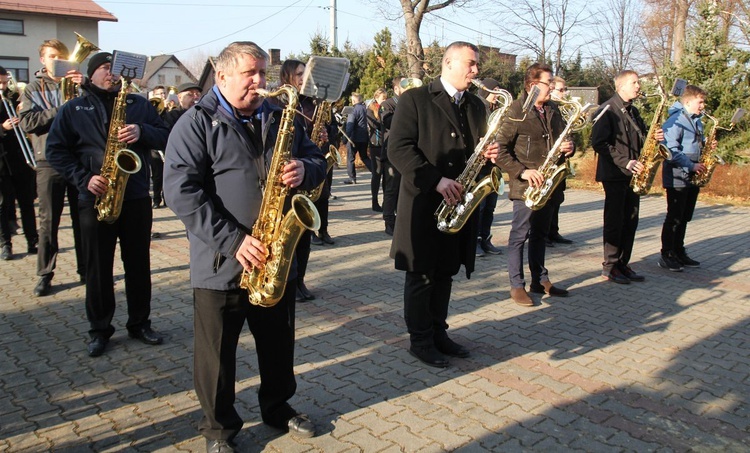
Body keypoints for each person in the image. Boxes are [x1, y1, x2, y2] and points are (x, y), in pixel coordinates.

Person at [163, 42, 326, 450]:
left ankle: (277, 407)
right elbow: (181, 193)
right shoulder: (195, 122)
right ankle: (219, 428)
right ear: (222, 76)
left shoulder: (279, 114)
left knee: (277, 343)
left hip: (273, 256)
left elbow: (319, 161)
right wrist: (234, 240)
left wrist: (304, 168)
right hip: (221, 260)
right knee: (216, 356)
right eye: (251, 74)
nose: (260, 83)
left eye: (263, 74)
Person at [46, 52, 168, 357]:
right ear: (91, 74)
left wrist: (143, 132)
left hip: (136, 195)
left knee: (138, 264)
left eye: (114, 69)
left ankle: (140, 323)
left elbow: (167, 136)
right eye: (104, 69)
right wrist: (83, 178)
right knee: (98, 268)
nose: (111, 74)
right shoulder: (73, 108)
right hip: (94, 195)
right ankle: (99, 329)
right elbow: (56, 150)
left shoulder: (138, 104)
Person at [388, 41, 498, 368]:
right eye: (471, 64)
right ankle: (420, 341)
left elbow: (476, 155)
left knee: (446, 271)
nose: (476, 71)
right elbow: (399, 149)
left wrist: (489, 160)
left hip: (458, 206)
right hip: (424, 203)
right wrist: (435, 179)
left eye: (477, 65)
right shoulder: (415, 99)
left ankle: (439, 332)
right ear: (448, 63)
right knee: (422, 275)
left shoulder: (478, 107)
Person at [494, 63, 573, 307]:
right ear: (532, 86)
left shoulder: (553, 110)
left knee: (540, 234)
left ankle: (539, 280)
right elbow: (499, 151)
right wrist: (523, 172)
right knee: (519, 236)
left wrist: (570, 148)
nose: (552, 87)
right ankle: (516, 285)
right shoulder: (516, 111)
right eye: (547, 83)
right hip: (526, 186)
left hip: (549, 183)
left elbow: (564, 139)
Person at [18, 39, 85, 297]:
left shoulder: (79, 85)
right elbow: (27, 122)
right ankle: (45, 274)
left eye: (62, 56)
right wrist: (61, 109)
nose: (57, 60)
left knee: (84, 219)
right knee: (49, 221)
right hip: (49, 160)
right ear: (43, 60)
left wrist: (85, 89)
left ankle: (86, 269)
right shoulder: (34, 88)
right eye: (52, 56)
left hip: (78, 159)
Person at [591, 70, 664, 284]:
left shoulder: (633, 111)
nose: (639, 86)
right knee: (615, 221)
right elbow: (599, 143)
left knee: (631, 219)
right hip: (615, 174)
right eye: (635, 82)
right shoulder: (606, 109)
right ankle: (610, 266)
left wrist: (654, 136)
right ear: (621, 85)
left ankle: (623, 262)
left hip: (633, 175)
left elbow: (640, 140)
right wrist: (626, 161)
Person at [659, 85, 710, 271]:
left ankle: (679, 251)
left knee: (685, 216)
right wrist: (691, 165)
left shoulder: (697, 121)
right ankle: (667, 254)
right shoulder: (677, 120)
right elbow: (670, 150)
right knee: (674, 217)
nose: (702, 105)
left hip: (691, 176)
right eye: (700, 101)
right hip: (677, 176)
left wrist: (705, 148)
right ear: (688, 101)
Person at [0, 66, 38, 261]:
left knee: (27, 203)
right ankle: (5, 244)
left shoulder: (14, 98)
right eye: (0, 82)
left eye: (5, 82)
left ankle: (33, 240)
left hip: (20, 159)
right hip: (1, 163)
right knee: (3, 206)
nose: (3, 86)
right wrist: (2, 127)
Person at [475, 77, 504, 257]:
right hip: (480, 164)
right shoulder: (479, 107)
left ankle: (485, 238)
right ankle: (475, 240)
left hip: (495, 163)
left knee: (491, 206)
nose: (497, 95)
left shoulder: (497, 109)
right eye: (495, 91)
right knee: (480, 206)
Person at [546, 76, 574, 247]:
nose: (564, 93)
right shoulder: (549, 109)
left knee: (557, 198)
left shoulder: (563, 110)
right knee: (547, 200)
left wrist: (571, 147)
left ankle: (553, 231)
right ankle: (543, 233)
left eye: (565, 89)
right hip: (548, 161)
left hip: (560, 161)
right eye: (561, 90)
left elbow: (569, 135)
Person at [379, 76, 405, 236]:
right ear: (396, 89)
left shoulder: (410, 104)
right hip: (391, 154)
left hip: (407, 154)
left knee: (404, 189)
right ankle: (389, 221)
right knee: (391, 189)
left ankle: (402, 219)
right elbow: (390, 122)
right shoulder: (387, 105)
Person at [343, 92, 372, 184]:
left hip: (353, 138)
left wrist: (345, 138)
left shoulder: (353, 110)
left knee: (351, 158)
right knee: (364, 157)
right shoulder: (366, 109)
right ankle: (376, 172)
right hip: (364, 137)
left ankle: (352, 178)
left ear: (354, 100)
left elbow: (350, 125)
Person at [367, 88, 387, 212]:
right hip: (375, 145)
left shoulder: (385, 108)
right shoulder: (371, 110)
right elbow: (375, 125)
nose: (385, 100)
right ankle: (375, 201)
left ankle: (387, 202)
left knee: (386, 174)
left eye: (386, 98)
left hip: (385, 144)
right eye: (383, 98)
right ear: (376, 98)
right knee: (377, 173)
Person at [149, 85, 167, 209]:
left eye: (164, 93)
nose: (163, 96)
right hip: (154, 148)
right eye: (160, 94)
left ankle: (167, 198)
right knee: (157, 175)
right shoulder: (150, 108)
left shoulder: (168, 111)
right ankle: (156, 200)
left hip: (165, 146)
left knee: (167, 174)